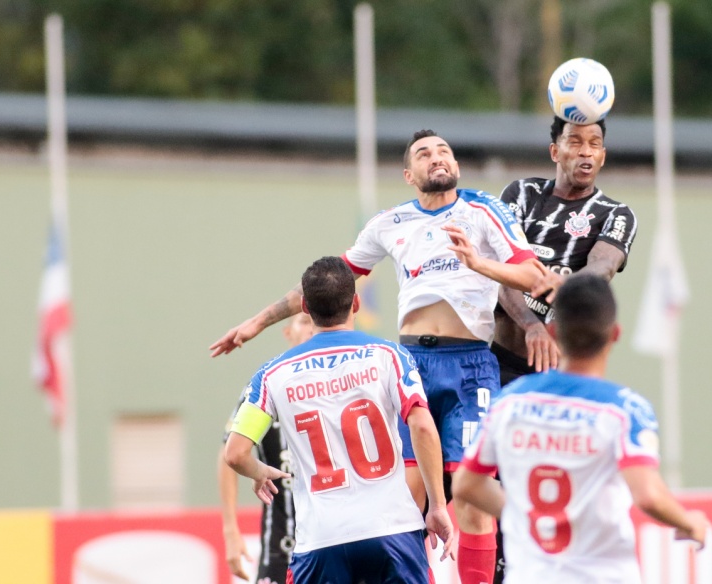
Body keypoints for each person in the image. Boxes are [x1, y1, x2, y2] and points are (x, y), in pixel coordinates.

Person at [212, 131, 559, 584]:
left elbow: (535, 276)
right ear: (408, 175)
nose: (437, 158)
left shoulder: (484, 210)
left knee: (473, 495)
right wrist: (258, 322)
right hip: (413, 362)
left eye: (444, 151)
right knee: (406, 499)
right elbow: (329, 282)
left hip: (470, 366)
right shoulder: (389, 223)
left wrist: (480, 266)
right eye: (424, 153)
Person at [452, 274, 708, 583]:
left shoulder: (510, 401)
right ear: (614, 334)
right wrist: (690, 521)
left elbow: (466, 484)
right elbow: (648, 496)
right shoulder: (623, 410)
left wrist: (525, 515)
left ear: (553, 332)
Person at [224, 256, 455, 584]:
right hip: (393, 531)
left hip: (321, 539)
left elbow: (234, 454)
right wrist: (438, 505)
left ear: (304, 307)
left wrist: (259, 472)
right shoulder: (390, 356)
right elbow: (420, 425)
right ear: (356, 303)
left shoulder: (271, 374)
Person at [493, 116, 637, 384]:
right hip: (500, 362)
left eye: (595, 144)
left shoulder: (616, 214)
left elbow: (603, 266)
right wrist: (531, 325)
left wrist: (567, 283)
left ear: (602, 156)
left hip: (559, 372)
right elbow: (504, 271)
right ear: (555, 152)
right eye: (575, 141)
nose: (586, 151)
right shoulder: (522, 193)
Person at [217, 312, 313, 584]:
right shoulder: (268, 385)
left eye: (315, 324)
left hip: (331, 543)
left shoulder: (336, 381)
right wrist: (230, 530)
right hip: (280, 550)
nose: (311, 330)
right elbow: (229, 451)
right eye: (304, 322)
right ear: (288, 332)